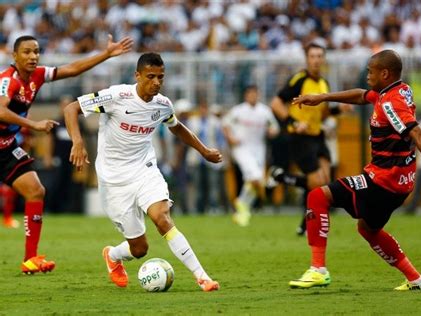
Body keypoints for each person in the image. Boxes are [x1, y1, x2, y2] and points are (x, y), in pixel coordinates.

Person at [288, 49, 421, 291]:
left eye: (370, 72)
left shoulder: (391, 103)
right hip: (401, 184)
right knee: (368, 230)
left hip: (383, 181)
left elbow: (418, 133)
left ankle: (318, 269)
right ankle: (416, 280)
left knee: (317, 196)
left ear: (384, 73)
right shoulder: (398, 90)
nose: (367, 76)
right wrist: (323, 97)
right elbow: (362, 95)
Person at [64, 53, 221, 292]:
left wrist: (204, 150)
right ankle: (113, 255)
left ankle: (202, 277)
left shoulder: (163, 104)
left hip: (145, 170)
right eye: (151, 76)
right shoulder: (117, 96)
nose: (156, 82)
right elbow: (71, 108)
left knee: (162, 218)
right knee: (139, 249)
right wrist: (77, 141)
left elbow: (176, 127)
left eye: (161, 77)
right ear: (137, 76)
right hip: (114, 180)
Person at [0, 34, 133, 274]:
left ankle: (30, 259)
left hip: (6, 147)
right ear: (15, 56)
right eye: (27, 52)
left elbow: (72, 69)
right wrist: (35, 125)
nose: (33, 56)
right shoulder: (8, 81)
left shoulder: (38, 76)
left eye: (36, 51)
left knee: (36, 191)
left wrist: (106, 54)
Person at [268, 42, 341, 235]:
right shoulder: (299, 79)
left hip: (318, 136)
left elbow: (323, 114)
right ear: (307, 59)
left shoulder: (324, 83)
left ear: (323, 59)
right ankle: (282, 177)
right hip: (300, 138)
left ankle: (304, 224)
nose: (316, 60)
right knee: (317, 182)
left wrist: (339, 109)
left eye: (319, 56)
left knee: (324, 185)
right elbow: (276, 103)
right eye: (313, 56)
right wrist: (293, 122)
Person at [222, 85, 280, 226]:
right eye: (250, 94)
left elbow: (275, 127)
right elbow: (225, 124)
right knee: (255, 177)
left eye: (255, 94)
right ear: (246, 95)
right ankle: (242, 204)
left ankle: (242, 208)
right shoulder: (238, 110)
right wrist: (231, 138)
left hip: (259, 148)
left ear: (258, 95)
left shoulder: (264, 111)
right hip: (242, 148)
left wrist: (272, 131)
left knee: (256, 180)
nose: (253, 96)